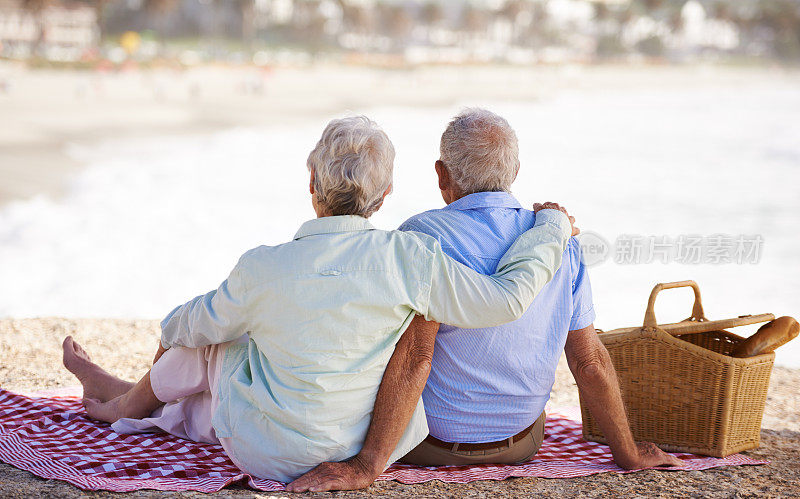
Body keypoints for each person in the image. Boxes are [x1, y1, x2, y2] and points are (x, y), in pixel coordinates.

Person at [62, 115, 578, 483]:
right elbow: (506, 300)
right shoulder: (411, 257)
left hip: (261, 455)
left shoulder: (262, 267)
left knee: (214, 340)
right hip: (355, 444)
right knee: (230, 355)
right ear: (386, 194)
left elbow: (184, 328)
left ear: (311, 182)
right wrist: (551, 226)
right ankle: (123, 400)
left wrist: (175, 325)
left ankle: (123, 405)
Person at [287, 109, 682, 493]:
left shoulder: (421, 236)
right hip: (522, 444)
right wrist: (628, 453)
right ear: (515, 171)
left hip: (426, 447)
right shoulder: (561, 243)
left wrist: (366, 465)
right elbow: (589, 361)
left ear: (441, 174)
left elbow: (415, 357)